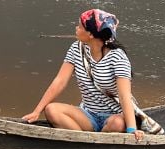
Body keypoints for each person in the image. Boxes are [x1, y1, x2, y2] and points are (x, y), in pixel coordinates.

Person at [22, 9, 144, 141]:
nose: (76, 28)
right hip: (87, 115)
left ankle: (92, 143)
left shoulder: (118, 57)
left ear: (91, 34)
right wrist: (37, 111)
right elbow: (60, 81)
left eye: (80, 26)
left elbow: (124, 96)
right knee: (51, 110)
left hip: (114, 117)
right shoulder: (76, 49)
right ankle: (85, 142)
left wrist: (132, 129)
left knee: (118, 123)